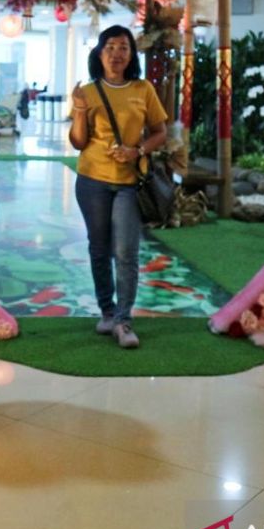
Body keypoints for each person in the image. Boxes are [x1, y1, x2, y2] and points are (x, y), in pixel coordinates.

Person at [69, 25, 168, 350]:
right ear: (100, 53)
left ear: (131, 54)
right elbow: (78, 142)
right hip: (92, 180)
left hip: (128, 183)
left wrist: (136, 150)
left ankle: (124, 320)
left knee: (126, 252)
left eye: (123, 47)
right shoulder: (88, 91)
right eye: (110, 47)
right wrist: (80, 111)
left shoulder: (143, 89)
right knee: (98, 248)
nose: (116, 53)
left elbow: (160, 131)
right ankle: (107, 312)